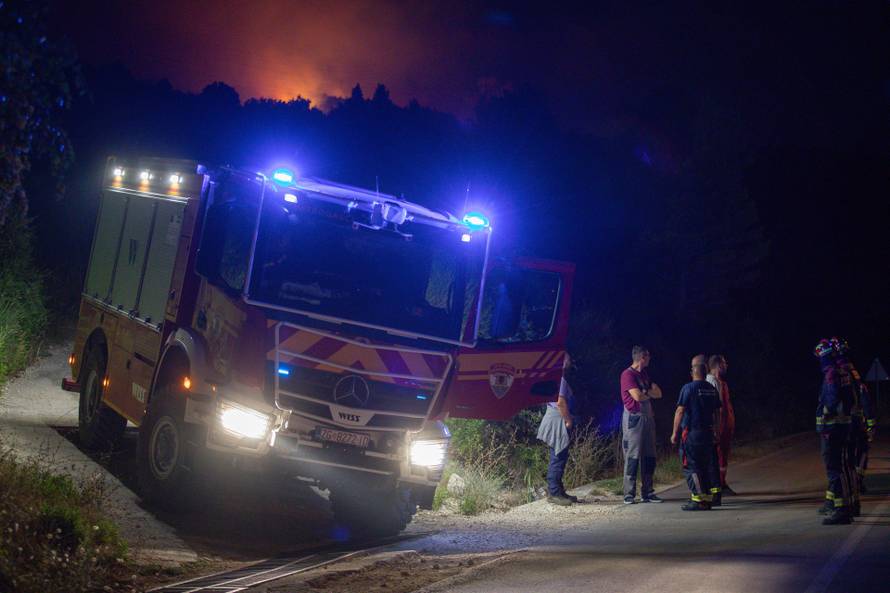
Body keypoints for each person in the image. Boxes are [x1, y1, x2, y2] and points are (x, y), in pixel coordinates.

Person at [671, 362, 722, 511]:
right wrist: (717, 431)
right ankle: (706, 499)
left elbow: (680, 411)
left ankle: (699, 500)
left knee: (691, 467)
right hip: (708, 433)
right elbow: (717, 413)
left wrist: (674, 433)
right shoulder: (712, 389)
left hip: (692, 433)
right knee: (704, 466)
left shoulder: (688, 388)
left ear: (692, 372)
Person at [814, 339, 854, 525]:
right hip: (842, 426)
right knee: (840, 468)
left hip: (832, 429)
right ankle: (842, 506)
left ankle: (841, 510)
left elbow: (830, 401)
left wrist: (825, 417)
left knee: (834, 469)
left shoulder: (831, 374)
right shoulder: (844, 372)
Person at [620, 346, 663, 504]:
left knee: (650, 455)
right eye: (648, 356)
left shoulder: (644, 374)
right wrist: (647, 392)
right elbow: (637, 396)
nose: (650, 358)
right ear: (642, 358)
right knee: (632, 456)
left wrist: (646, 392)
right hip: (634, 419)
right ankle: (629, 494)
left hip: (647, 417)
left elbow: (659, 393)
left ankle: (648, 492)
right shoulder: (627, 375)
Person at [537, 355, 579, 505]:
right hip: (558, 418)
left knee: (559, 455)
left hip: (555, 417)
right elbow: (560, 402)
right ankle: (554, 493)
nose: (569, 360)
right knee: (558, 456)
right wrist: (568, 420)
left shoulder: (556, 378)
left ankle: (559, 492)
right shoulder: (559, 379)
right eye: (566, 358)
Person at [707, 354, 736, 495]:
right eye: (724, 363)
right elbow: (717, 408)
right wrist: (717, 428)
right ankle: (719, 485)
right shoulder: (713, 382)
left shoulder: (720, 382)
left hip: (725, 426)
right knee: (718, 456)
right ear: (718, 366)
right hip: (720, 427)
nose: (726, 365)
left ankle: (721, 483)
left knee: (723, 455)